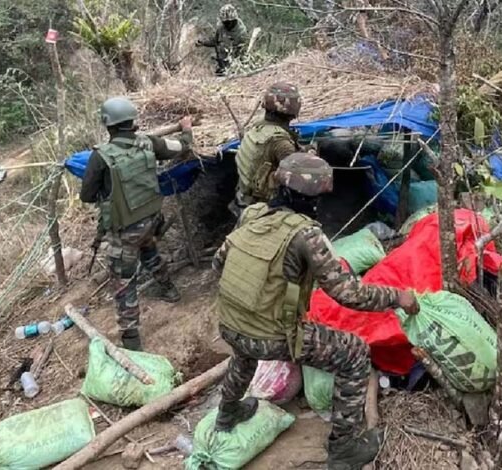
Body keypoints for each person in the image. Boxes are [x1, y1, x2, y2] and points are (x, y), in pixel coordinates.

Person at [212, 153, 420, 469]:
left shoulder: (251, 215)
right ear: (314, 197)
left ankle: (227, 413)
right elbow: (349, 294)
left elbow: (219, 264)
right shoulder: (306, 234)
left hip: (230, 324)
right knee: (354, 353)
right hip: (270, 335)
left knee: (244, 352)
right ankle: (344, 449)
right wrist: (398, 297)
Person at [80, 97, 193, 351]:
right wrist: (186, 128)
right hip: (151, 221)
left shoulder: (100, 157)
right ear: (132, 121)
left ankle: (131, 342)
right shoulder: (149, 143)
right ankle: (169, 289)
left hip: (124, 232)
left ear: (108, 125)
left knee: (124, 284)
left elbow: (86, 195)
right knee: (150, 251)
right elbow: (182, 146)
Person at [230, 82, 301, 216]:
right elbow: (299, 181)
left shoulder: (257, 128)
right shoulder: (280, 142)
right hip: (262, 210)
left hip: (243, 199)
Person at [196, 4, 248, 75]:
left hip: (237, 61)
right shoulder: (221, 28)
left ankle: (230, 69)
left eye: (229, 22)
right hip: (224, 61)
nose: (227, 25)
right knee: (220, 46)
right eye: (225, 22)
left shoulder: (241, 31)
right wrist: (203, 42)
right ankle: (222, 68)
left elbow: (243, 49)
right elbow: (215, 41)